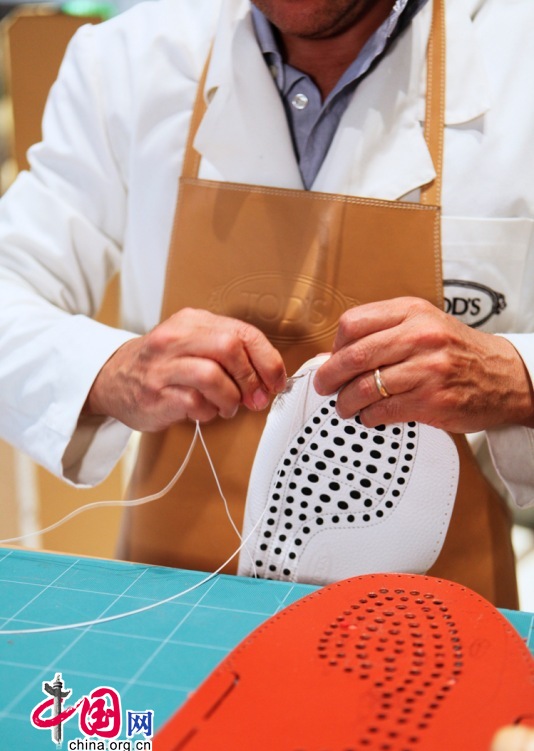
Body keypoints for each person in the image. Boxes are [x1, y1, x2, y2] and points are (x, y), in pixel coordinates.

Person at [0, 0, 533, 607]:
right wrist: (111, 371)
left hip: (435, 617)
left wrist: (514, 375)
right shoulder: (129, 61)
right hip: (177, 605)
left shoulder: (517, 54)